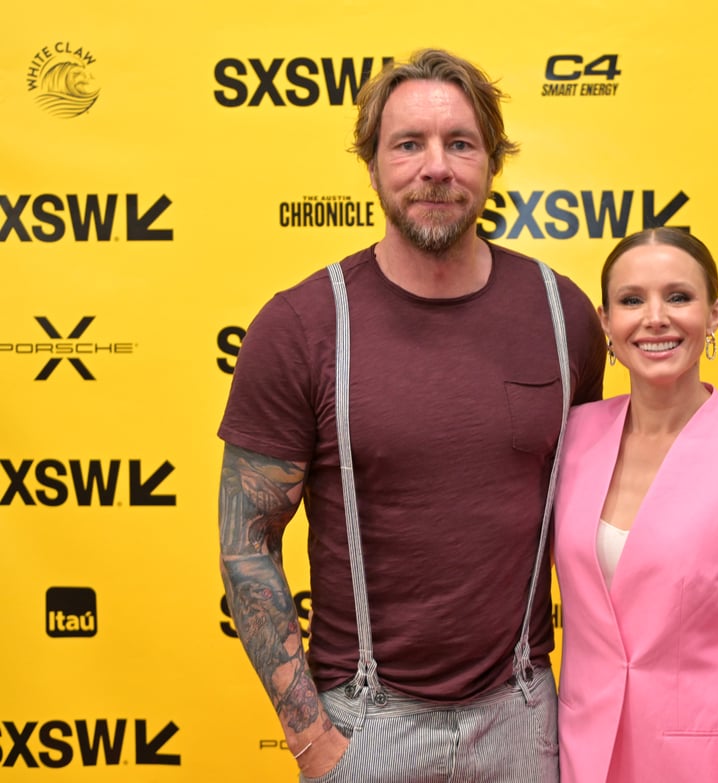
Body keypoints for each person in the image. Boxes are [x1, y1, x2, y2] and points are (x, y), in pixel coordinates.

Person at [217, 48, 606, 782]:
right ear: (372, 165)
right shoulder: (302, 324)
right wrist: (310, 734)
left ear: (492, 163)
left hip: (525, 717)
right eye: (408, 144)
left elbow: (597, 510)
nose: (436, 167)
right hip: (363, 727)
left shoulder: (563, 315)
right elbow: (246, 543)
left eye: (460, 142)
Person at [553, 228, 718, 782]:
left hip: (701, 766)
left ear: (714, 313)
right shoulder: (571, 438)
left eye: (678, 297)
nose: (655, 318)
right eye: (632, 300)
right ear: (605, 321)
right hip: (579, 758)